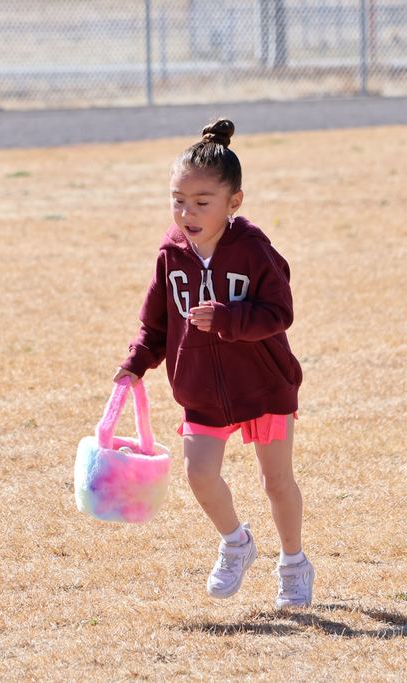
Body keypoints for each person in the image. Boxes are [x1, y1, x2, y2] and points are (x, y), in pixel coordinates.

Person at [113, 119, 312, 608]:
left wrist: (228, 318)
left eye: (202, 202)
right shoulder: (171, 255)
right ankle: (237, 542)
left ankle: (294, 562)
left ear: (233, 203)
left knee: (276, 481)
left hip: (263, 385)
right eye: (178, 200)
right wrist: (136, 363)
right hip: (201, 390)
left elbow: (279, 312)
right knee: (199, 475)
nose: (187, 212)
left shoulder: (253, 249)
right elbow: (155, 324)